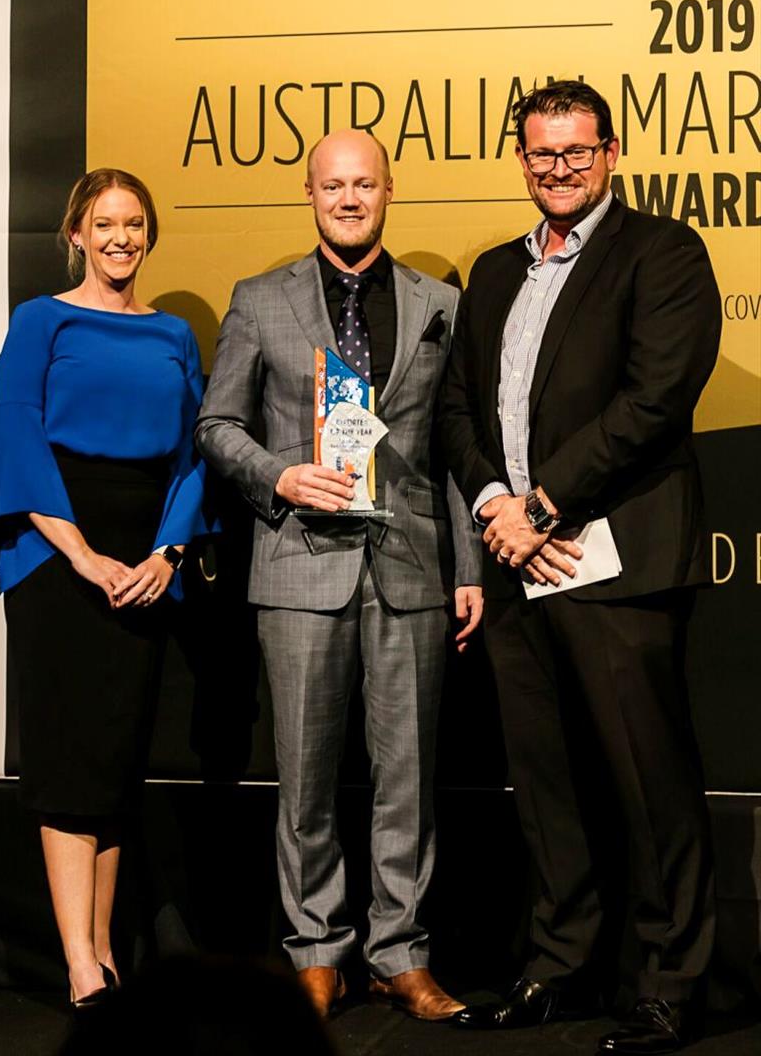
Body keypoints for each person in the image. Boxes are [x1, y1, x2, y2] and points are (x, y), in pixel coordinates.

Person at [441, 81, 720, 1055]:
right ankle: (558, 968)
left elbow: (652, 401)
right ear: (521, 159)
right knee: (545, 785)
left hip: (615, 560)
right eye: (539, 153)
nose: (556, 168)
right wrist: (492, 508)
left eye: (574, 151)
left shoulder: (661, 253)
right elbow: (456, 411)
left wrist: (541, 505)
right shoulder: (490, 271)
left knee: (647, 787)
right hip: (516, 564)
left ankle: (665, 984)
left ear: (608, 153)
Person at [195, 129, 484, 1024]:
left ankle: (401, 953)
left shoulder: (440, 300)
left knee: (410, 778)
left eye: (364, 184)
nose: (349, 199)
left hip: (411, 567)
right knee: (307, 779)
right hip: (299, 567)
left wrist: (467, 566)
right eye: (333, 186)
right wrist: (279, 474)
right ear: (311, 196)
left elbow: (451, 446)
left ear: (388, 190)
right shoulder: (258, 299)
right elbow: (216, 427)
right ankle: (315, 953)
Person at [0, 169, 209, 1009]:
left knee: (113, 766)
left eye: (134, 223)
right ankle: (79, 964)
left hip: (142, 563)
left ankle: (105, 953)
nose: (120, 238)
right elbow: (18, 435)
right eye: (104, 223)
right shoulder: (41, 320)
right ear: (75, 232)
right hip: (59, 556)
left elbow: (193, 455)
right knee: (72, 762)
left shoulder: (175, 333)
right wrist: (80, 555)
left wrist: (167, 555)